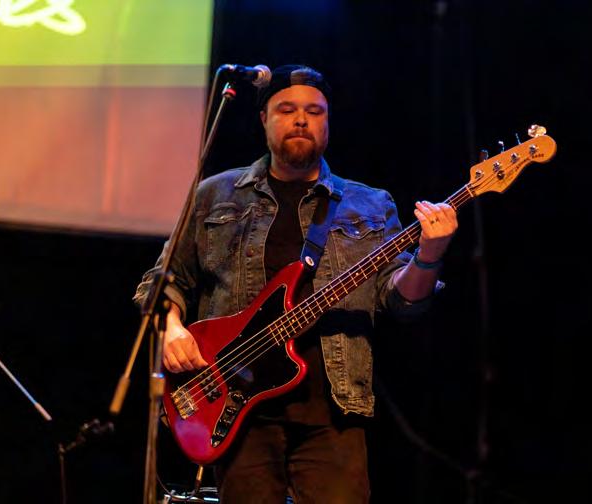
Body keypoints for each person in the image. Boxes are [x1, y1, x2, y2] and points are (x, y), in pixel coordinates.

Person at [135, 64, 458, 503]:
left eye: (314, 111)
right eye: (286, 109)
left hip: (333, 412)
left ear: (329, 122)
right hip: (237, 409)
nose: (301, 120)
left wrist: (430, 253)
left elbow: (403, 301)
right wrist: (171, 328)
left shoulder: (370, 204)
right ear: (263, 119)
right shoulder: (215, 194)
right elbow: (163, 280)